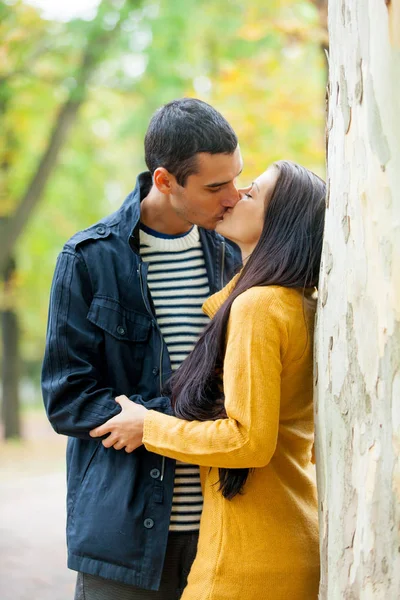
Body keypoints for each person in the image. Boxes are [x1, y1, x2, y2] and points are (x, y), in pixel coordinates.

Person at [90, 160, 326, 600]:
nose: (234, 196)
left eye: (252, 192)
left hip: (248, 562)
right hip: (283, 539)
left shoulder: (259, 307)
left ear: (281, 222)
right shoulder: (295, 302)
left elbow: (248, 441)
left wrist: (148, 427)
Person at [41, 98, 243, 600]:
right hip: (124, 540)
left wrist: (151, 420)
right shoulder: (88, 259)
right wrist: (171, 417)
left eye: (237, 178)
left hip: (225, 532)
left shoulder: (236, 255)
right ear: (165, 181)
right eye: (216, 187)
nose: (234, 197)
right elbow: (67, 397)